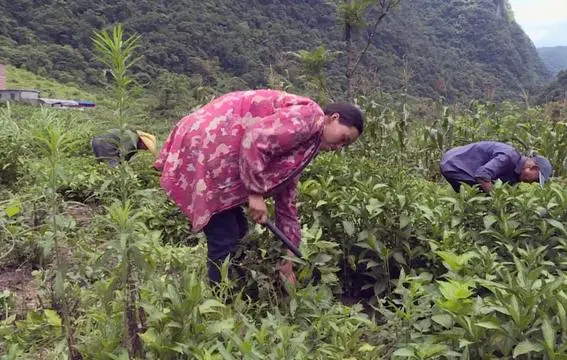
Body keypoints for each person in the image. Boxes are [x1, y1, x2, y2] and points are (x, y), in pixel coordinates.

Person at [153, 89, 364, 285]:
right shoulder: (311, 117)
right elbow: (255, 137)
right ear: (333, 118)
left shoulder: (305, 147)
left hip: (215, 148)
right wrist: (255, 194)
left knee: (238, 230)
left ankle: (232, 286)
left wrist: (288, 260)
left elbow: (287, 205)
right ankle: (220, 302)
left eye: (344, 146)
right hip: (211, 142)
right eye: (343, 138)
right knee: (224, 235)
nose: (338, 147)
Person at [439, 141, 553, 193]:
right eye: (536, 179)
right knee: (482, 194)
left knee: (484, 193)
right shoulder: (509, 157)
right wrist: (498, 201)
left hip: (457, 161)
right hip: (454, 162)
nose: (532, 183)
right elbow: (482, 175)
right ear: (533, 168)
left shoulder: (516, 173)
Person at [91, 128, 157, 167]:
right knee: (113, 168)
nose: (145, 149)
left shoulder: (134, 141)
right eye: (146, 147)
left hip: (98, 140)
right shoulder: (133, 140)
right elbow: (123, 154)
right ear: (142, 142)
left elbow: (127, 157)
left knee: (102, 164)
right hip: (105, 143)